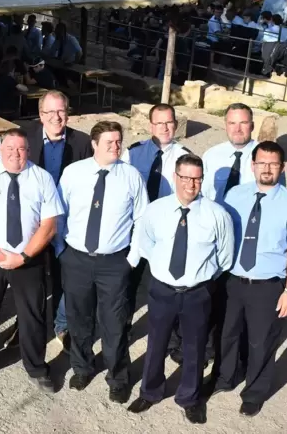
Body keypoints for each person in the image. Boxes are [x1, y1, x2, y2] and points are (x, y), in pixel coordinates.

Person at [127, 154, 234, 424]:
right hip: (162, 289)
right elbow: (146, 243)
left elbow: (225, 258)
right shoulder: (156, 210)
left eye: (197, 178)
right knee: (156, 343)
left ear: (202, 180)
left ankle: (190, 397)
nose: (191, 184)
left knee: (195, 347)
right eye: (185, 177)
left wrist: (199, 278)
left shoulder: (217, 215)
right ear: (176, 177)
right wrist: (163, 269)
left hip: (198, 292)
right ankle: (149, 392)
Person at [213, 141, 287, 417]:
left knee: (261, 342)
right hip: (233, 280)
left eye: (273, 163)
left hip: (268, 286)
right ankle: (226, 377)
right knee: (228, 334)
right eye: (262, 162)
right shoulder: (235, 195)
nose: (267, 168)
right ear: (253, 165)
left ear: (282, 168)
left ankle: (254, 392)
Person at [0, 128, 63, 392]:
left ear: (28, 151)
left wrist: (24, 256)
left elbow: (49, 225)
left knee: (32, 315)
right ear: (0, 150)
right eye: (9, 149)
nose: (15, 154)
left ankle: (36, 367)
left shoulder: (42, 178)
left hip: (29, 257)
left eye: (20, 149)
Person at [55, 120, 147, 402]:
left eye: (118, 141)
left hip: (114, 263)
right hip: (77, 259)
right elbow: (59, 213)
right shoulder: (74, 173)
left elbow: (143, 218)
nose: (115, 146)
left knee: (114, 323)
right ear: (94, 144)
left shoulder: (131, 176)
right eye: (109, 142)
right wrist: (60, 249)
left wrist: (132, 258)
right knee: (79, 319)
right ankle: (82, 367)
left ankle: (118, 377)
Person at [121, 104, 191, 357]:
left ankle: (170, 339)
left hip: (166, 234)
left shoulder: (184, 157)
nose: (164, 127)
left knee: (166, 286)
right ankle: (123, 326)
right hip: (137, 230)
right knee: (128, 281)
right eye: (159, 122)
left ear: (176, 124)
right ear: (150, 125)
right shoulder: (132, 154)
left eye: (169, 122)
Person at [24, 91, 92, 348]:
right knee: (34, 277)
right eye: (50, 112)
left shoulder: (83, 143)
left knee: (66, 275)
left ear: (68, 112)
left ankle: (63, 325)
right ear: (41, 115)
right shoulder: (27, 139)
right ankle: (33, 324)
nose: (56, 117)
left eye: (61, 111)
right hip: (33, 222)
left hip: (69, 222)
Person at [202, 103, 285, 205]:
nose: (238, 129)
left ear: (252, 126)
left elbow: (279, 198)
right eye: (232, 123)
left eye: (244, 123)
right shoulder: (211, 155)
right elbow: (202, 193)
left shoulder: (268, 158)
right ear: (226, 126)